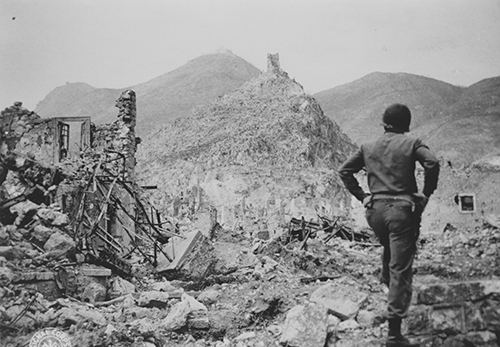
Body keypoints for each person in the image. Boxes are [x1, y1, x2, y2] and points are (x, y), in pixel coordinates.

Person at [338, 104, 439, 347]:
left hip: (375, 213)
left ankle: (388, 282)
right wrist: (425, 194)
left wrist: (363, 196)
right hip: (401, 212)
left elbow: (344, 171)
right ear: (406, 124)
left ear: (384, 123)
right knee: (400, 268)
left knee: (390, 250)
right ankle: (394, 334)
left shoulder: (368, 147)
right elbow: (432, 163)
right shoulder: (412, 143)